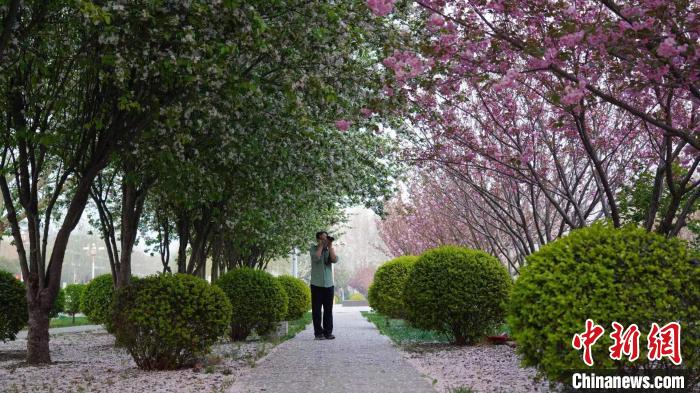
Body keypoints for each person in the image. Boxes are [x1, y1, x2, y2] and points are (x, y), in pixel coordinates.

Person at [309, 231, 339, 340]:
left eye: (326, 238)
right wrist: (321, 246)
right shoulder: (313, 248)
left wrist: (330, 247)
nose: (325, 240)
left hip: (329, 285)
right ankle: (318, 333)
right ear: (318, 239)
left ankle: (328, 333)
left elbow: (335, 259)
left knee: (328, 310)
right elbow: (316, 258)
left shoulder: (328, 250)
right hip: (316, 284)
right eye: (322, 238)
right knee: (316, 310)